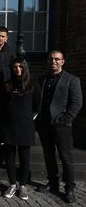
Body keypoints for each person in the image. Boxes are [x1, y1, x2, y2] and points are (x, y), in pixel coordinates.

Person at [35, 50, 82, 203]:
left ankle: (69, 187)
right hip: (44, 124)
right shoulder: (42, 79)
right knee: (48, 155)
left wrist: (64, 119)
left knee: (65, 157)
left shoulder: (72, 79)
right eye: (50, 59)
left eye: (57, 59)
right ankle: (53, 183)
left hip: (62, 125)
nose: (53, 61)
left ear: (62, 62)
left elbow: (76, 103)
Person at [1, 57, 40, 200]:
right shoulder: (7, 85)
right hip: (9, 126)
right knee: (9, 156)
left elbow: (37, 106)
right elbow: (2, 105)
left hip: (25, 127)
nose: (18, 69)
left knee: (25, 157)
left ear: (25, 68)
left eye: (20, 67)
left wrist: (29, 118)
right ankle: (12, 184)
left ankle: (22, 185)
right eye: (15, 67)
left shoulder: (33, 85)